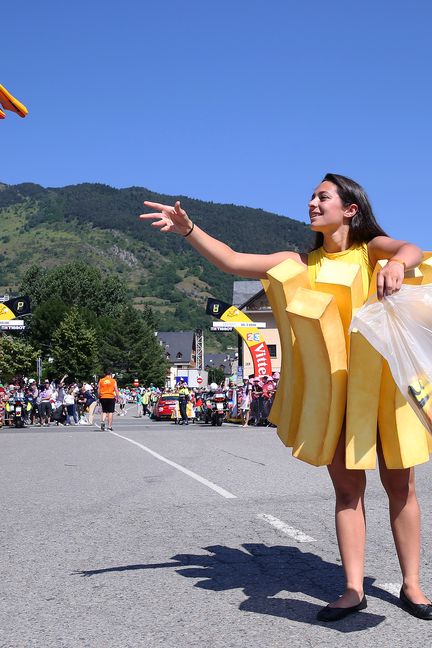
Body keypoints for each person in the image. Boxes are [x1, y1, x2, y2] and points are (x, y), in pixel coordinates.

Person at [140, 173, 432, 621]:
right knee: (348, 490)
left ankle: (413, 586)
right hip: (334, 392)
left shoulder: (370, 249)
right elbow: (234, 262)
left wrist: (396, 265)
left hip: (383, 388)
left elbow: (408, 249)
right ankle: (353, 588)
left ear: (350, 209)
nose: (312, 203)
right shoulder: (298, 261)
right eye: (312, 196)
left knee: (401, 487)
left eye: (323, 197)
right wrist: (189, 230)